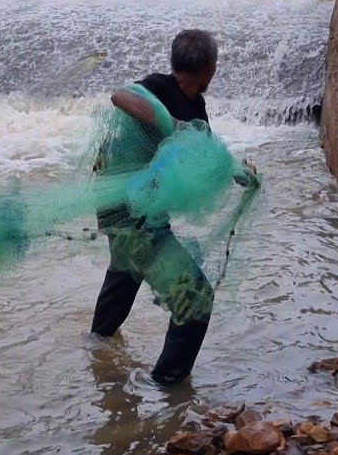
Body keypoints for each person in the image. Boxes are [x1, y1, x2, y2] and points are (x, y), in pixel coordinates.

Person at [90, 29, 257, 386]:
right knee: (196, 300)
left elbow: (207, 150)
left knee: (126, 271)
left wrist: (239, 172)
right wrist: (170, 125)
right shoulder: (157, 87)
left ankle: (95, 352)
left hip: (141, 210)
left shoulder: (197, 106)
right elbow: (119, 96)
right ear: (208, 68)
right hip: (125, 208)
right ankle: (167, 388)